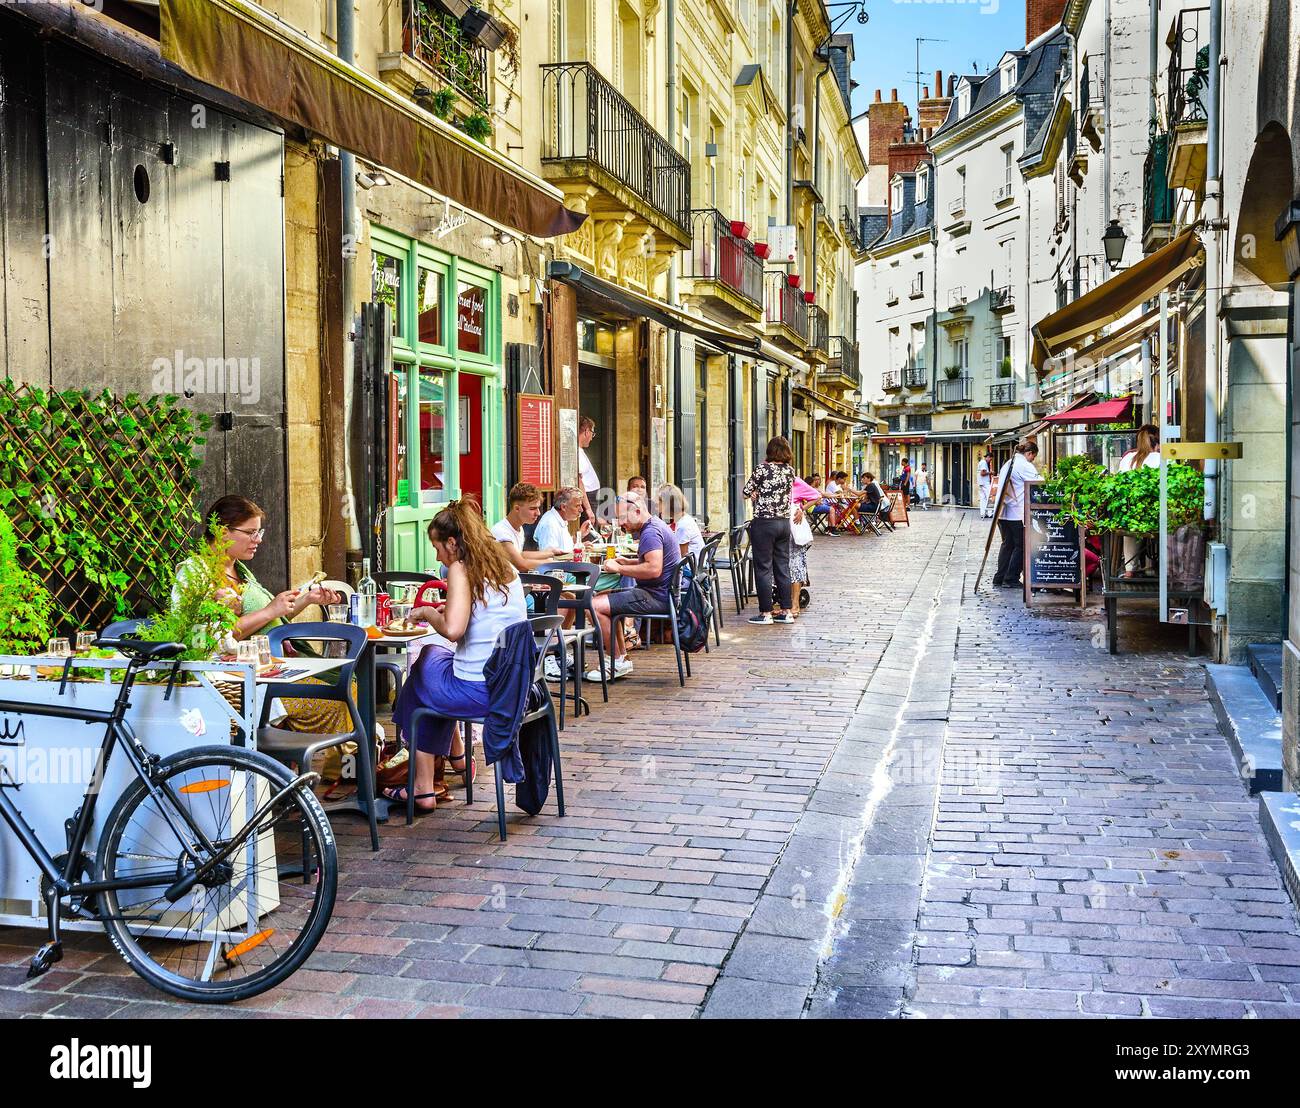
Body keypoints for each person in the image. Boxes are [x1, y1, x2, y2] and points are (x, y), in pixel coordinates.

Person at [387, 500, 527, 812]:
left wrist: (426, 611)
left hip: (478, 691)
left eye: (437, 547)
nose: (437, 556)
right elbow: (479, 620)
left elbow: (452, 630)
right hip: (510, 688)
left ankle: (423, 788)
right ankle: (457, 755)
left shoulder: (460, 568)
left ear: (453, 543)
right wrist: (446, 610)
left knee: (421, 679)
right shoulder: (505, 568)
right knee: (429, 663)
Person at [174, 495, 348, 737]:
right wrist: (270, 610)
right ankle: (342, 770)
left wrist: (306, 599)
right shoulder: (195, 575)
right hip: (231, 680)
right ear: (223, 532)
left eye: (259, 533)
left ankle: (338, 769)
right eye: (251, 533)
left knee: (348, 686)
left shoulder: (239, 571)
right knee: (336, 701)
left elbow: (270, 621)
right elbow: (211, 638)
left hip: (268, 665)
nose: (258, 540)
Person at [587, 492, 682, 681]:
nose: (621, 524)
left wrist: (620, 568)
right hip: (660, 594)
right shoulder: (654, 526)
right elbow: (653, 564)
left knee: (593, 607)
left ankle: (614, 662)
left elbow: (654, 569)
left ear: (637, 512)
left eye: (622, 518)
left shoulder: (650, 533)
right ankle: (621, 659)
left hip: (656, 597)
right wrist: (629, 562)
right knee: (602, 597)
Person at [743, 435, 796, 625]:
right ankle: (786, 610)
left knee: (763, 567)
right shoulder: (790, 471)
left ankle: (766, 612)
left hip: (765, 522)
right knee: (782, 566)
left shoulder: (762, 469)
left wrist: (756, 493)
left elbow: (746, 491)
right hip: (783, 522)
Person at [991, 441, 1040, 589]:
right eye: (1033, 457)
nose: (1033, 460)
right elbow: (1039, 483)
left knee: (1007, 544)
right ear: (1029, 453)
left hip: (1002, 512)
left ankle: (1000, 577)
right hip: (1016, 512)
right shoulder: (1024, 465)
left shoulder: (1009, 463)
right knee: (1022, 545)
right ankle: (1011, 578)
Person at [491, 482, 570, 572]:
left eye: (538, 508)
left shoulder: (519, 529)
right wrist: (553, 563)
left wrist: (550, 553)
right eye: (532, 509)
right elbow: (521, 565)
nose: (538, 513)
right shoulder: (501, 532)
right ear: (517, 508)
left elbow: (521, 555)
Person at [533, 486, 588, 557]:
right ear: (563, 507)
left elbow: (563, 547)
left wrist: (579, 542)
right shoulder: (550, 524)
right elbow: (550, 556)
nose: (581, 510)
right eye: (577, 506)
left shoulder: (559, 519)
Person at [655, 483, 705, 560]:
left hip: (689, 569)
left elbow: (680, 557)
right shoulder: (684, 518)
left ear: (668, 505)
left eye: (659, 503)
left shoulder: (683, 525)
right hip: (696, 565)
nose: (657, 507)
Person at [577, 416, 601, 523]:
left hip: (591, 498)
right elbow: (578, 481)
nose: (592, 437)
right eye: (592, 433)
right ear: (586, 431)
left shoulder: (580, 450)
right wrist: (588, 508)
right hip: (587, 499)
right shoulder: (577, 451)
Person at [978, 452, 993, 518]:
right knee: (989, 497)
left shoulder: (981, 462)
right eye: (991, 459)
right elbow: (982, 473)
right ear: (988, 457)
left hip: (981, 483)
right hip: (985, 483)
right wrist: (990, 472)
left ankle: (983, 513)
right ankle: (990, 513)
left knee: (983, 499)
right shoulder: (984, 463)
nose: (990, 461)